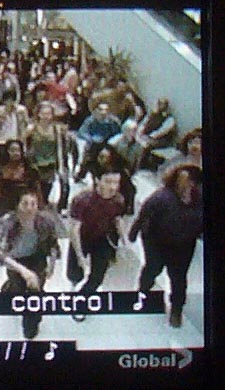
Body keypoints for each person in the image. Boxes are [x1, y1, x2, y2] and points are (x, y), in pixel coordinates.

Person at [129, 164, 202, 328]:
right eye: (183, 180)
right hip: (156, 242)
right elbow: (144, 213)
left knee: (178, 277)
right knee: (153, 268)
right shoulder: (161, 197)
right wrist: (133, 232)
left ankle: (176, 310)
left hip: (183, 244)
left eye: (190, 181)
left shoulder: (200, 198)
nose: (187, 184)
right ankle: (143, 292)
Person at [0, 189, 60, 339]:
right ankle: (8, 290)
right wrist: (23, 271)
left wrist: (51, 266)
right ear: (18, 205)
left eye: (33, 204)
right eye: (25, 204)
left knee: (35, 291)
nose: (30, 208)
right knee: (17, 287)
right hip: (14, 260)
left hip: (37, 258)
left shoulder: (46, 222)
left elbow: (53, 246)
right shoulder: (7, 222)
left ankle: (31, 327)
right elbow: (0, 253)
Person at [67, 167, 129, 321]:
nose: (113, 186)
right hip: (81, 237)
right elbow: (74, 229)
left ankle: (81, 302)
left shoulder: (118, 199)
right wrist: (80, 255)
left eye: (116, 182)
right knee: (74, 271)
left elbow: (117, 219)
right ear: (97, 181)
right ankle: (76, 282)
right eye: (108, 182)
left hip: (102, 238)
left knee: (98, 276)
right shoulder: (82, 200)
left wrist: (124, 240)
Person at [24, 101, 75, 211]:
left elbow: (62, 147)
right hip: (36, 162)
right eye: (44, 113)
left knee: (47, 188)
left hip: (50, 163)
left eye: (49, 113)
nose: (46, 116)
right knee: (35, 188)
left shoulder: (57, 129)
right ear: (38, 114)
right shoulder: (32, 129)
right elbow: (25, 145)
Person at [0, 139, 41, 223]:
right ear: (7, 151)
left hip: (22, 208)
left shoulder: (29, 169)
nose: (16, 153)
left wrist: (38, 205)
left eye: (18, 150)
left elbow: (37, 188)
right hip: (2, 207)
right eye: (13, 150)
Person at [75, 102, 121, 182]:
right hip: (92, 144)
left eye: (106, 110)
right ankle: (81, 174)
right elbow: (82, 132)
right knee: (88, 157)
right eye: (101, 109)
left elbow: (117, 133)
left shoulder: (113, 122)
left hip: (106, 145)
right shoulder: (90, 120)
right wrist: (90, 138)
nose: (103, 112)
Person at [134, 97, 177, 170]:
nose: (159, 105)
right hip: (146, 137)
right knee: (134, 141)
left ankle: (139, 167)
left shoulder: (169, 118)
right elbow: (143, 124)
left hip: (160, 141)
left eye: (162, 104)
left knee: (144, 146)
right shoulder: (151, 115)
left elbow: (162, 131)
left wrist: (149, 137)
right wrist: (140, 132)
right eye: (158, 103)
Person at [0, 89, 30, 156]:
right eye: (7, 100)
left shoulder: (21, 110)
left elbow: (26, 124)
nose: (10, 102)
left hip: (16, 140)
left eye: (12, 100)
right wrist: (0, 119)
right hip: (2, 140)